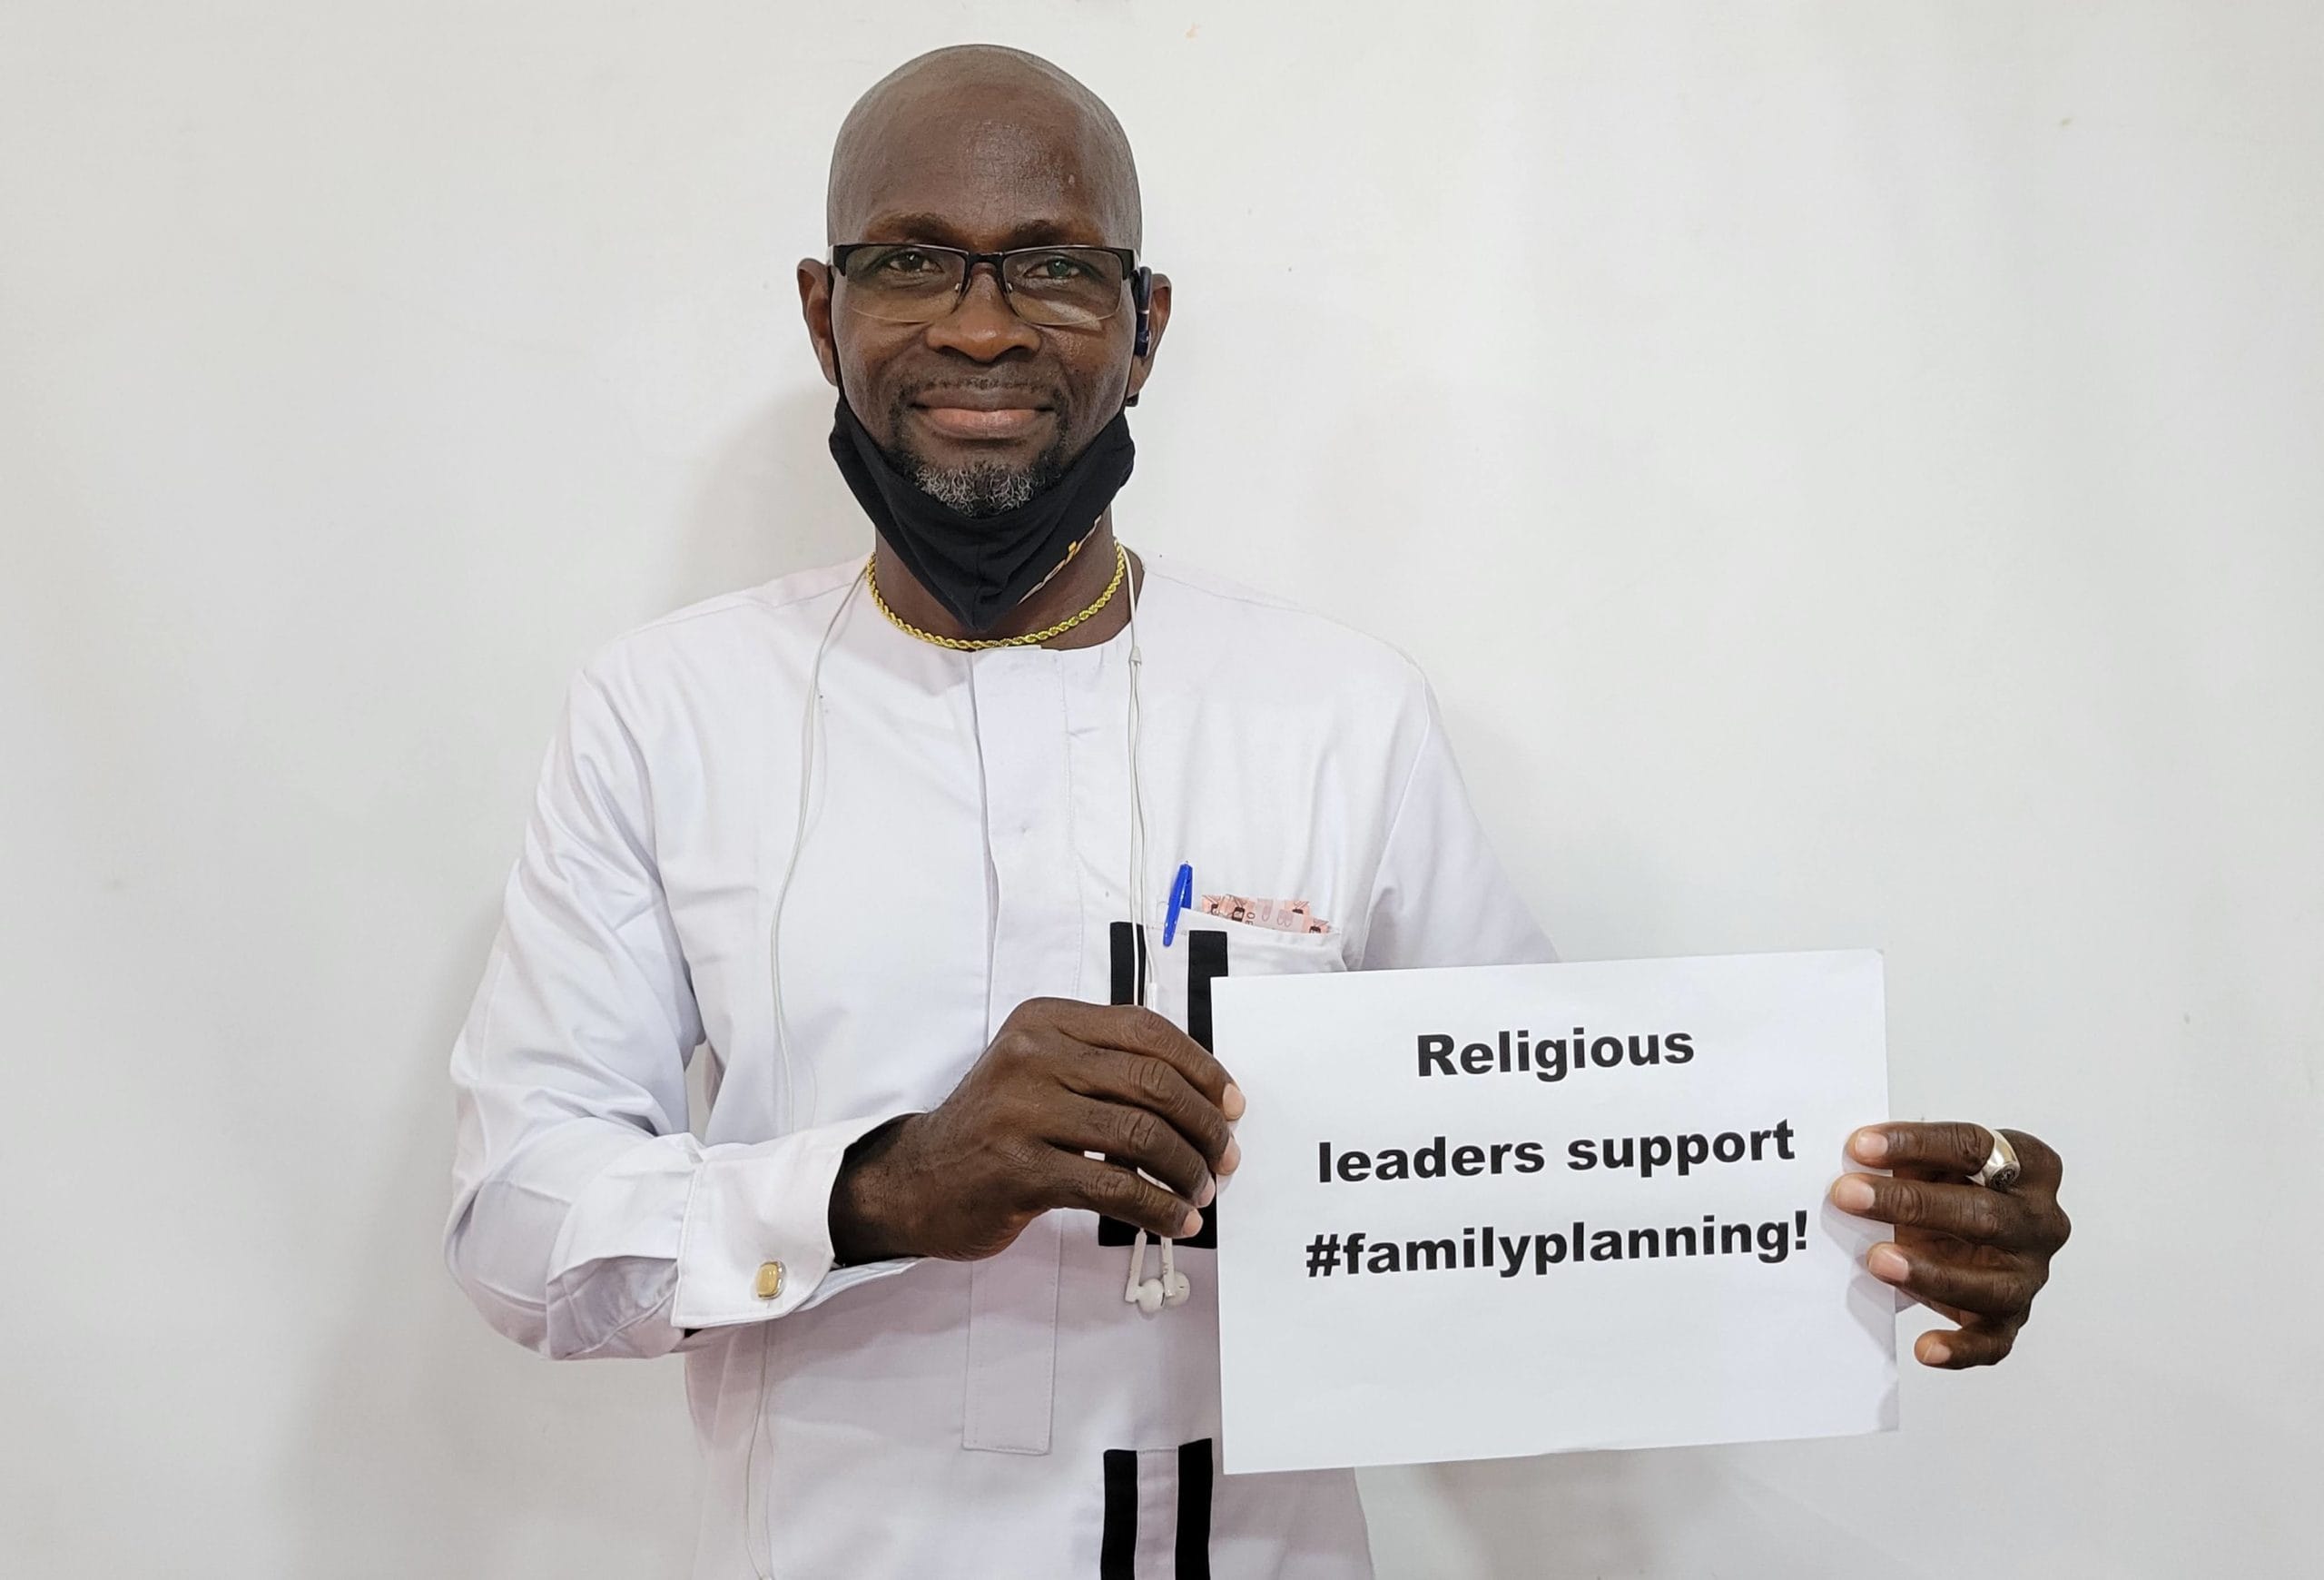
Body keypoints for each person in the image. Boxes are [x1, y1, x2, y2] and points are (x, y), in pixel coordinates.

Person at [445, 44, 2072, 1580]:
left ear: (1145, 322)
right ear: (824, 312)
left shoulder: (1336, 712)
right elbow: (516, 1220)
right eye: (914, 260)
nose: (987, 328)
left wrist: (1874, 1232)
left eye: (1057, 266)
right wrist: (881, 1186)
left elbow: (1555, 1177)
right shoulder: (666, 712)